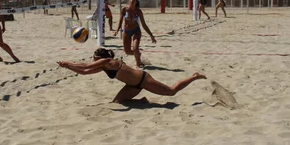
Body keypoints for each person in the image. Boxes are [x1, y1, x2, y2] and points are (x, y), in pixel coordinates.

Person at [57, 48, 206, 103]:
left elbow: (86, 66)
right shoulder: (103, 67)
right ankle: (142, 101)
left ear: (100, 58)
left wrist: (69, 62)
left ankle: (194, 76)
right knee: (116, 102)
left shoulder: (109, 61)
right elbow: (84, 72)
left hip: (143, 79)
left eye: (94, 58)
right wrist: (68, 67)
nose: (92, 60)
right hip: (131, 85)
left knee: (171, 92)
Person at [114, 0, 156, 68]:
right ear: (128, 0)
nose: (132, 1)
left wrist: (151, 36)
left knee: (135, 48)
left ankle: (138, 64)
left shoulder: (138, 11)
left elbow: (144, 24)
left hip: (136, 31)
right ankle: (138, 54)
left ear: (136, 2)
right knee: (127, 51)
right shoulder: (124, 10)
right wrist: (117, 30)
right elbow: (120, 21)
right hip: (126, 31)